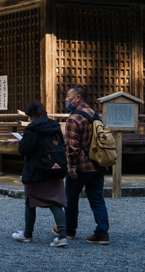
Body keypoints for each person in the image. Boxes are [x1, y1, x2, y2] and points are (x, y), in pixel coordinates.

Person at [12, 100, 68, 247]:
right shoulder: (55, 127)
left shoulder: (33, 128)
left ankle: (27, 234)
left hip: (36, 171)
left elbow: (24, 150)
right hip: (54, 169)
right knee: (56, 204)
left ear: (32, 115)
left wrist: (22, 141)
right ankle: (62, 236)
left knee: (30, 203)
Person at [61, 85, 110, 244]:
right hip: (98, 164)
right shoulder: (96, 116)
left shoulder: (73, 118)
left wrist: (72, 166)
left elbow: (72, 146)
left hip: (81, 166)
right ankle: (102, 233)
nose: (66, 99)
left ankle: (69, 230)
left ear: (77, 99)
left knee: (71, 198)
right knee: (96, 198)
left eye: (69, 96)